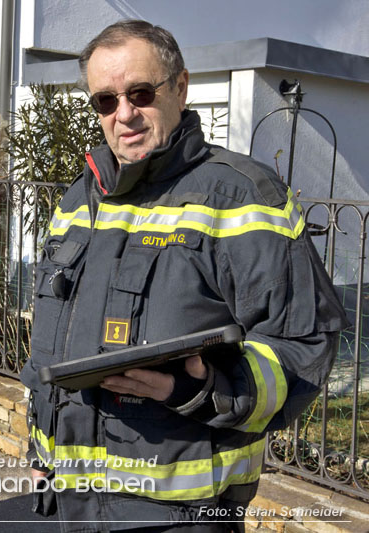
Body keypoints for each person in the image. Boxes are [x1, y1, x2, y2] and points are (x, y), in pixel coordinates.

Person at [20, 20, 349, 533]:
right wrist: (42, 442)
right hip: (68, 496)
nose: (124, 114)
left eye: (141, 93)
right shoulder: (80, 196)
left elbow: (304, 342)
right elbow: (53, 338)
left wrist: (201, 387)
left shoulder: (244, 195)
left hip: (181, 511)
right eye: (105, 101)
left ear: (180, 88)